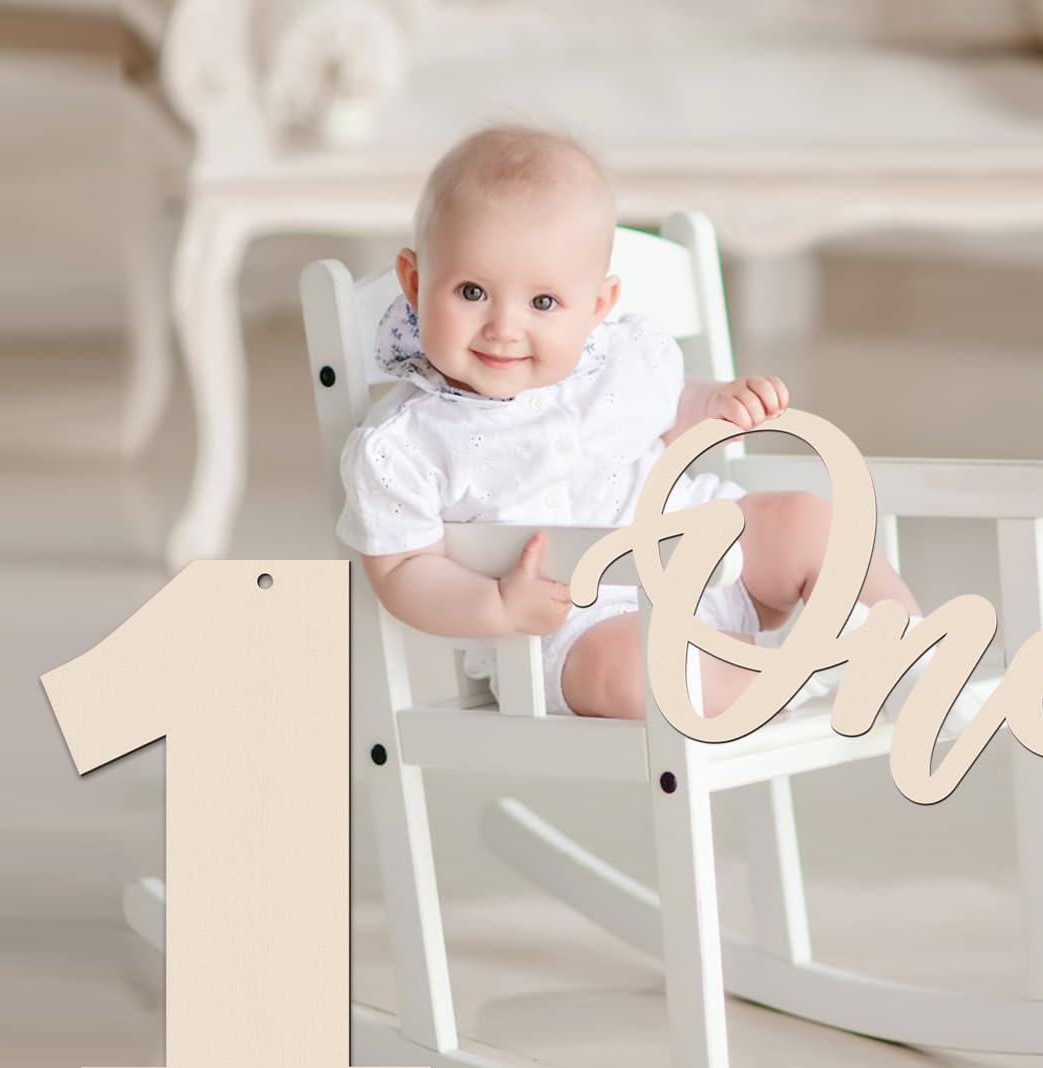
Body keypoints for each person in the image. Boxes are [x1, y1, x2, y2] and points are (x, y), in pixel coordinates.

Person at [337, 124, 966, 727]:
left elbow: (673, 409)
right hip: (573, 629)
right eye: (472, 292)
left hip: (699, 555)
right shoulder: (408, 444)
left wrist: (718, 403)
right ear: (415, 284)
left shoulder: (619, 361)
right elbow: (400, 572)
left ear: (597, 307)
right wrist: (499, 605)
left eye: (543, 303)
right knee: (634, 671)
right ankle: (790, 681)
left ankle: (905, 654)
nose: (505, 326)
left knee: (807, 517)